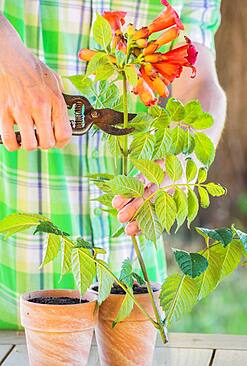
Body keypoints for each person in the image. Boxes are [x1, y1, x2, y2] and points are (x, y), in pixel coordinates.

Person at [0, 0, 226, 329]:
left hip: (132, 297)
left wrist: (180, 161)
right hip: (11, 291)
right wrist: (8, 53)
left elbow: (201, 82)